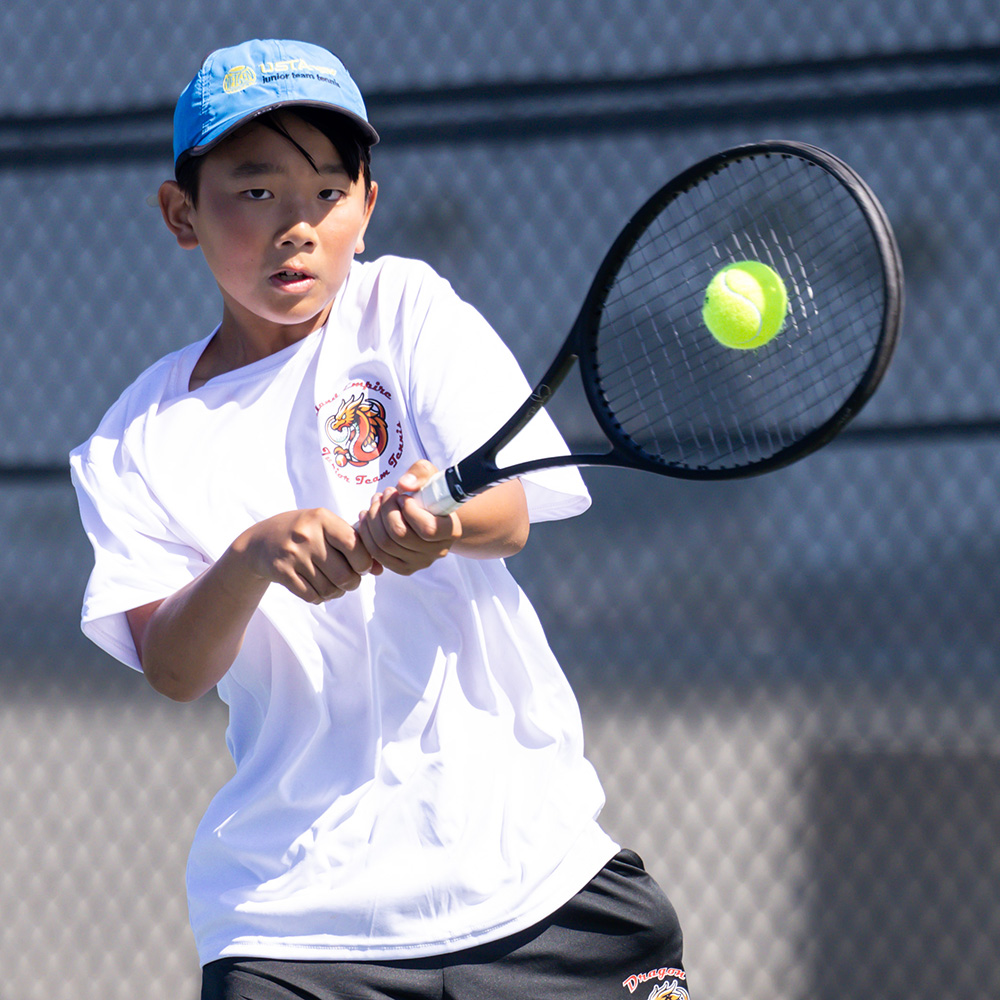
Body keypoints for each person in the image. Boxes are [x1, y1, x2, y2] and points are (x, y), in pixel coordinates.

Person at [70, 38, 688, 1000]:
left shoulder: (406, 308)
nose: (295, 226)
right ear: (180, 214)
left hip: (536, 882)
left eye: (325, 191)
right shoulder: (134, 439)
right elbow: (174, 668)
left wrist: (438, 524)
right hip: (292, 929)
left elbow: (511, 509)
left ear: (367, 203)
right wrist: (249, 559)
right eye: (255, 191)